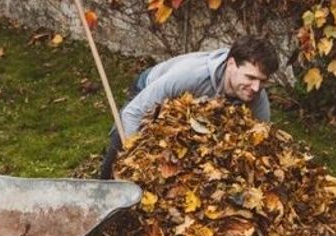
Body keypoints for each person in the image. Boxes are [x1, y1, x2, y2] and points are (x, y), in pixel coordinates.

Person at [99, 35, 280, 178]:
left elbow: (260, 141)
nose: (256, 88)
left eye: (262, 81)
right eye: (250, 78)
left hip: (197, 108)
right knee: (124, 139)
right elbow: (133, 113)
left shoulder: (256, 97)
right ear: (231, 64)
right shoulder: (191, 76)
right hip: (150, 87)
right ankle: (102, 186)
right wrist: (134, 157)